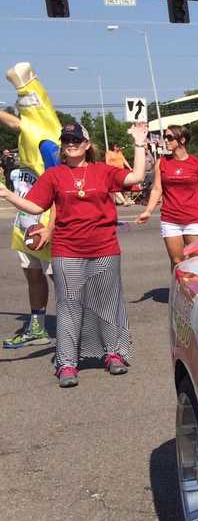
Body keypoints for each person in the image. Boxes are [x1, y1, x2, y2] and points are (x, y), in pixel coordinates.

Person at [0, 121, 148, 387]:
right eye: (66, 141)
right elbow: (35, 206)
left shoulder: (102, 171)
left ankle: (112, 353)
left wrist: (139, 142)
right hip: (67, 250)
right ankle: (67, 363)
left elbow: (136, 177)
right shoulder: (54, 175)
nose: (71, 144)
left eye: (76, 140)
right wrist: (7, 194)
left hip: (104, 248)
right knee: (69, 305)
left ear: (87, 145)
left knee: (106, 302)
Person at [1, 62, 61, 349]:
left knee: (58, 275)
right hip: (26, 212)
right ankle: (38, 325)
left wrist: (51, 226)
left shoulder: (48, 142)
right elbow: (14, 122)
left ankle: (78, 329)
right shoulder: (31, 132)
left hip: (45, 215)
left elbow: (61, 189)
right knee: (32, 271)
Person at [135, 124, 198, 272]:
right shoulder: (162, 162)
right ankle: (177, 293)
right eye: (165, 137)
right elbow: (157, 189)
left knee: (197, 260)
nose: (166, 141)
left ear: (182, 139)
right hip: (170, 220)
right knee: (177, 261)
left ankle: (195, 292)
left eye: (169, 137)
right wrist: (148, 211)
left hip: (194, 218)